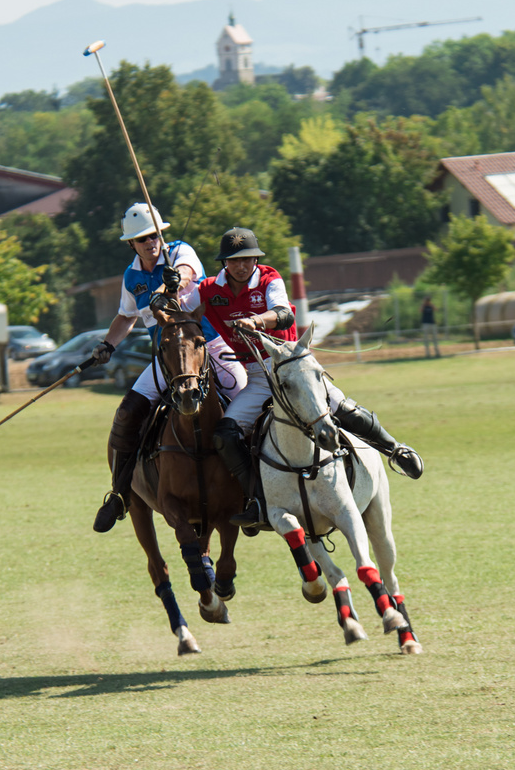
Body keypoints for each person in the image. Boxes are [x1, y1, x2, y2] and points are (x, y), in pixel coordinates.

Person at [179, 226, 424, 532]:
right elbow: (179, 310)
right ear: (223, 262)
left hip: (292, 365)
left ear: (256, 259)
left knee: (341, 407)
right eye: (233, 260)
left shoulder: (269, 278)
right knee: (225, 434)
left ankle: (395, 450)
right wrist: (168, 289)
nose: (241, 265)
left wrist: (256, 320)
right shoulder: (209, 289)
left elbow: (284, 314)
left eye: (247, 259)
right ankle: (256, 500)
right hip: (257, 376)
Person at [89, 203, 247, 533]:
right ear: (131, 244)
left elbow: (189, 271)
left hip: (208, 345)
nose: (150, 242)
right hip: (168, 357)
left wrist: (173, 283)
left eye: (153, 235)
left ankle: (255, 490)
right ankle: (119, 492)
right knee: (127, 412)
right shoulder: (132, 277)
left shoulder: (179, 253)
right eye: (142, 239)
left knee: (246, 397)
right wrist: (108, 345)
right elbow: (126, 316)